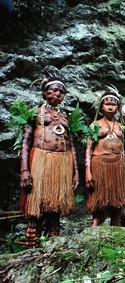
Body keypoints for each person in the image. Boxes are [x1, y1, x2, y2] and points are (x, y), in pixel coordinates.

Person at [19, 76, 79, 248]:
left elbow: (71, 146)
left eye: (62, 91)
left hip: (61, 163)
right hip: (40, 160)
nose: (58, 94)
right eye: (54, 90)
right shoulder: (35, 113)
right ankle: (31, 249)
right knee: (35, 210)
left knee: (55, 212)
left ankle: (52, 250)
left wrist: (75, 172)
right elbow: (25, 142)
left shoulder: (65, 118)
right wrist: (24, 170)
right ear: (45, 92)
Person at [85, 87, 125, 227]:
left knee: (117, 206)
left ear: (117, 107)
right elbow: (88, 150)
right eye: (107, 104)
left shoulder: (123, 128)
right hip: (99, 164)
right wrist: (88, 172)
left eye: (113, 104)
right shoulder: (95, 125)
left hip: (119, 166)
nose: (110, 107)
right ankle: (93, 235)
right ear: (101, 106)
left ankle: (116, 238)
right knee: (99, 206)